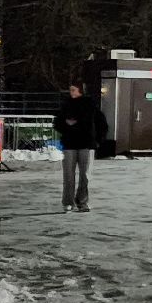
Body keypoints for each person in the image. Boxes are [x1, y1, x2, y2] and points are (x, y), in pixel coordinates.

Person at [56, 83, 108, 213]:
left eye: (73, 90)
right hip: (70, 144)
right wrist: (65, 124)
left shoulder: (90, 105)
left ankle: (82, 201)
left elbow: (102, 123)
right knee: (68, 175)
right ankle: (68, 202)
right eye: (70, 90)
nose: (71, 92)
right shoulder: (66, 105)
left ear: (80, 91)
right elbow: (57, 122)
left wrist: (98, 140)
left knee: (85, 175)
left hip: (86, 144)